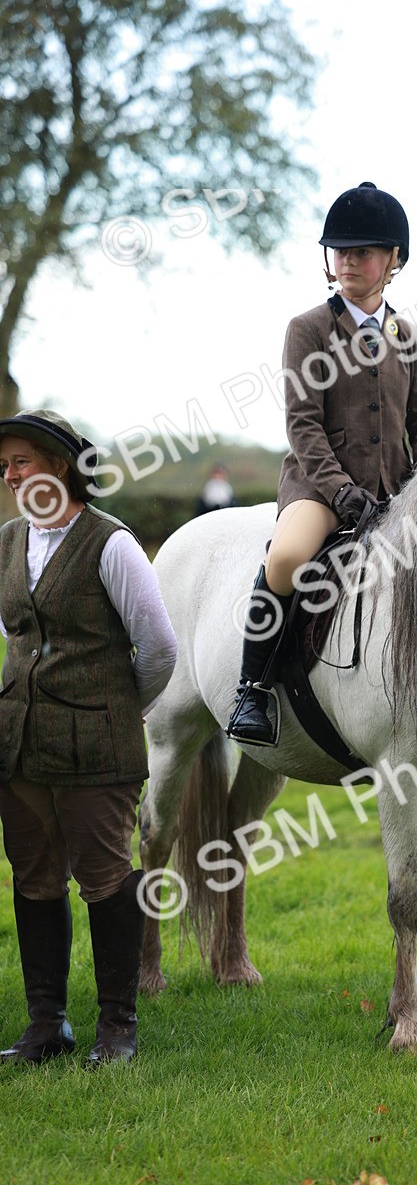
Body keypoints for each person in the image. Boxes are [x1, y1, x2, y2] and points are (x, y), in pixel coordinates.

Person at [227, 181, 417, 746]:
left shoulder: (409, 335)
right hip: (320, 490)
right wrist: (342, 490)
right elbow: (303, 424)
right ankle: (253, 688)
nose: (350, 261)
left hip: (397, 490)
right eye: (341, 251)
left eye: (364, 252)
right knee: (289, 559)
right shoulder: (309, 329)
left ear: (392, 261)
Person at [0, 409, 178, 1066]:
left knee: (105, 880)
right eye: (5, 467)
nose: (12, 476)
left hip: (98, 749)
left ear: (59, 465)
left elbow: (158, 647)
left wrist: (118, 706)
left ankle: (117, 1029)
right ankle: (46, 1025)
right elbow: (16, 636)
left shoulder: (112, 542)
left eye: (22, 462)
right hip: (18, 747)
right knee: (34, 878)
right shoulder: (7, 541)